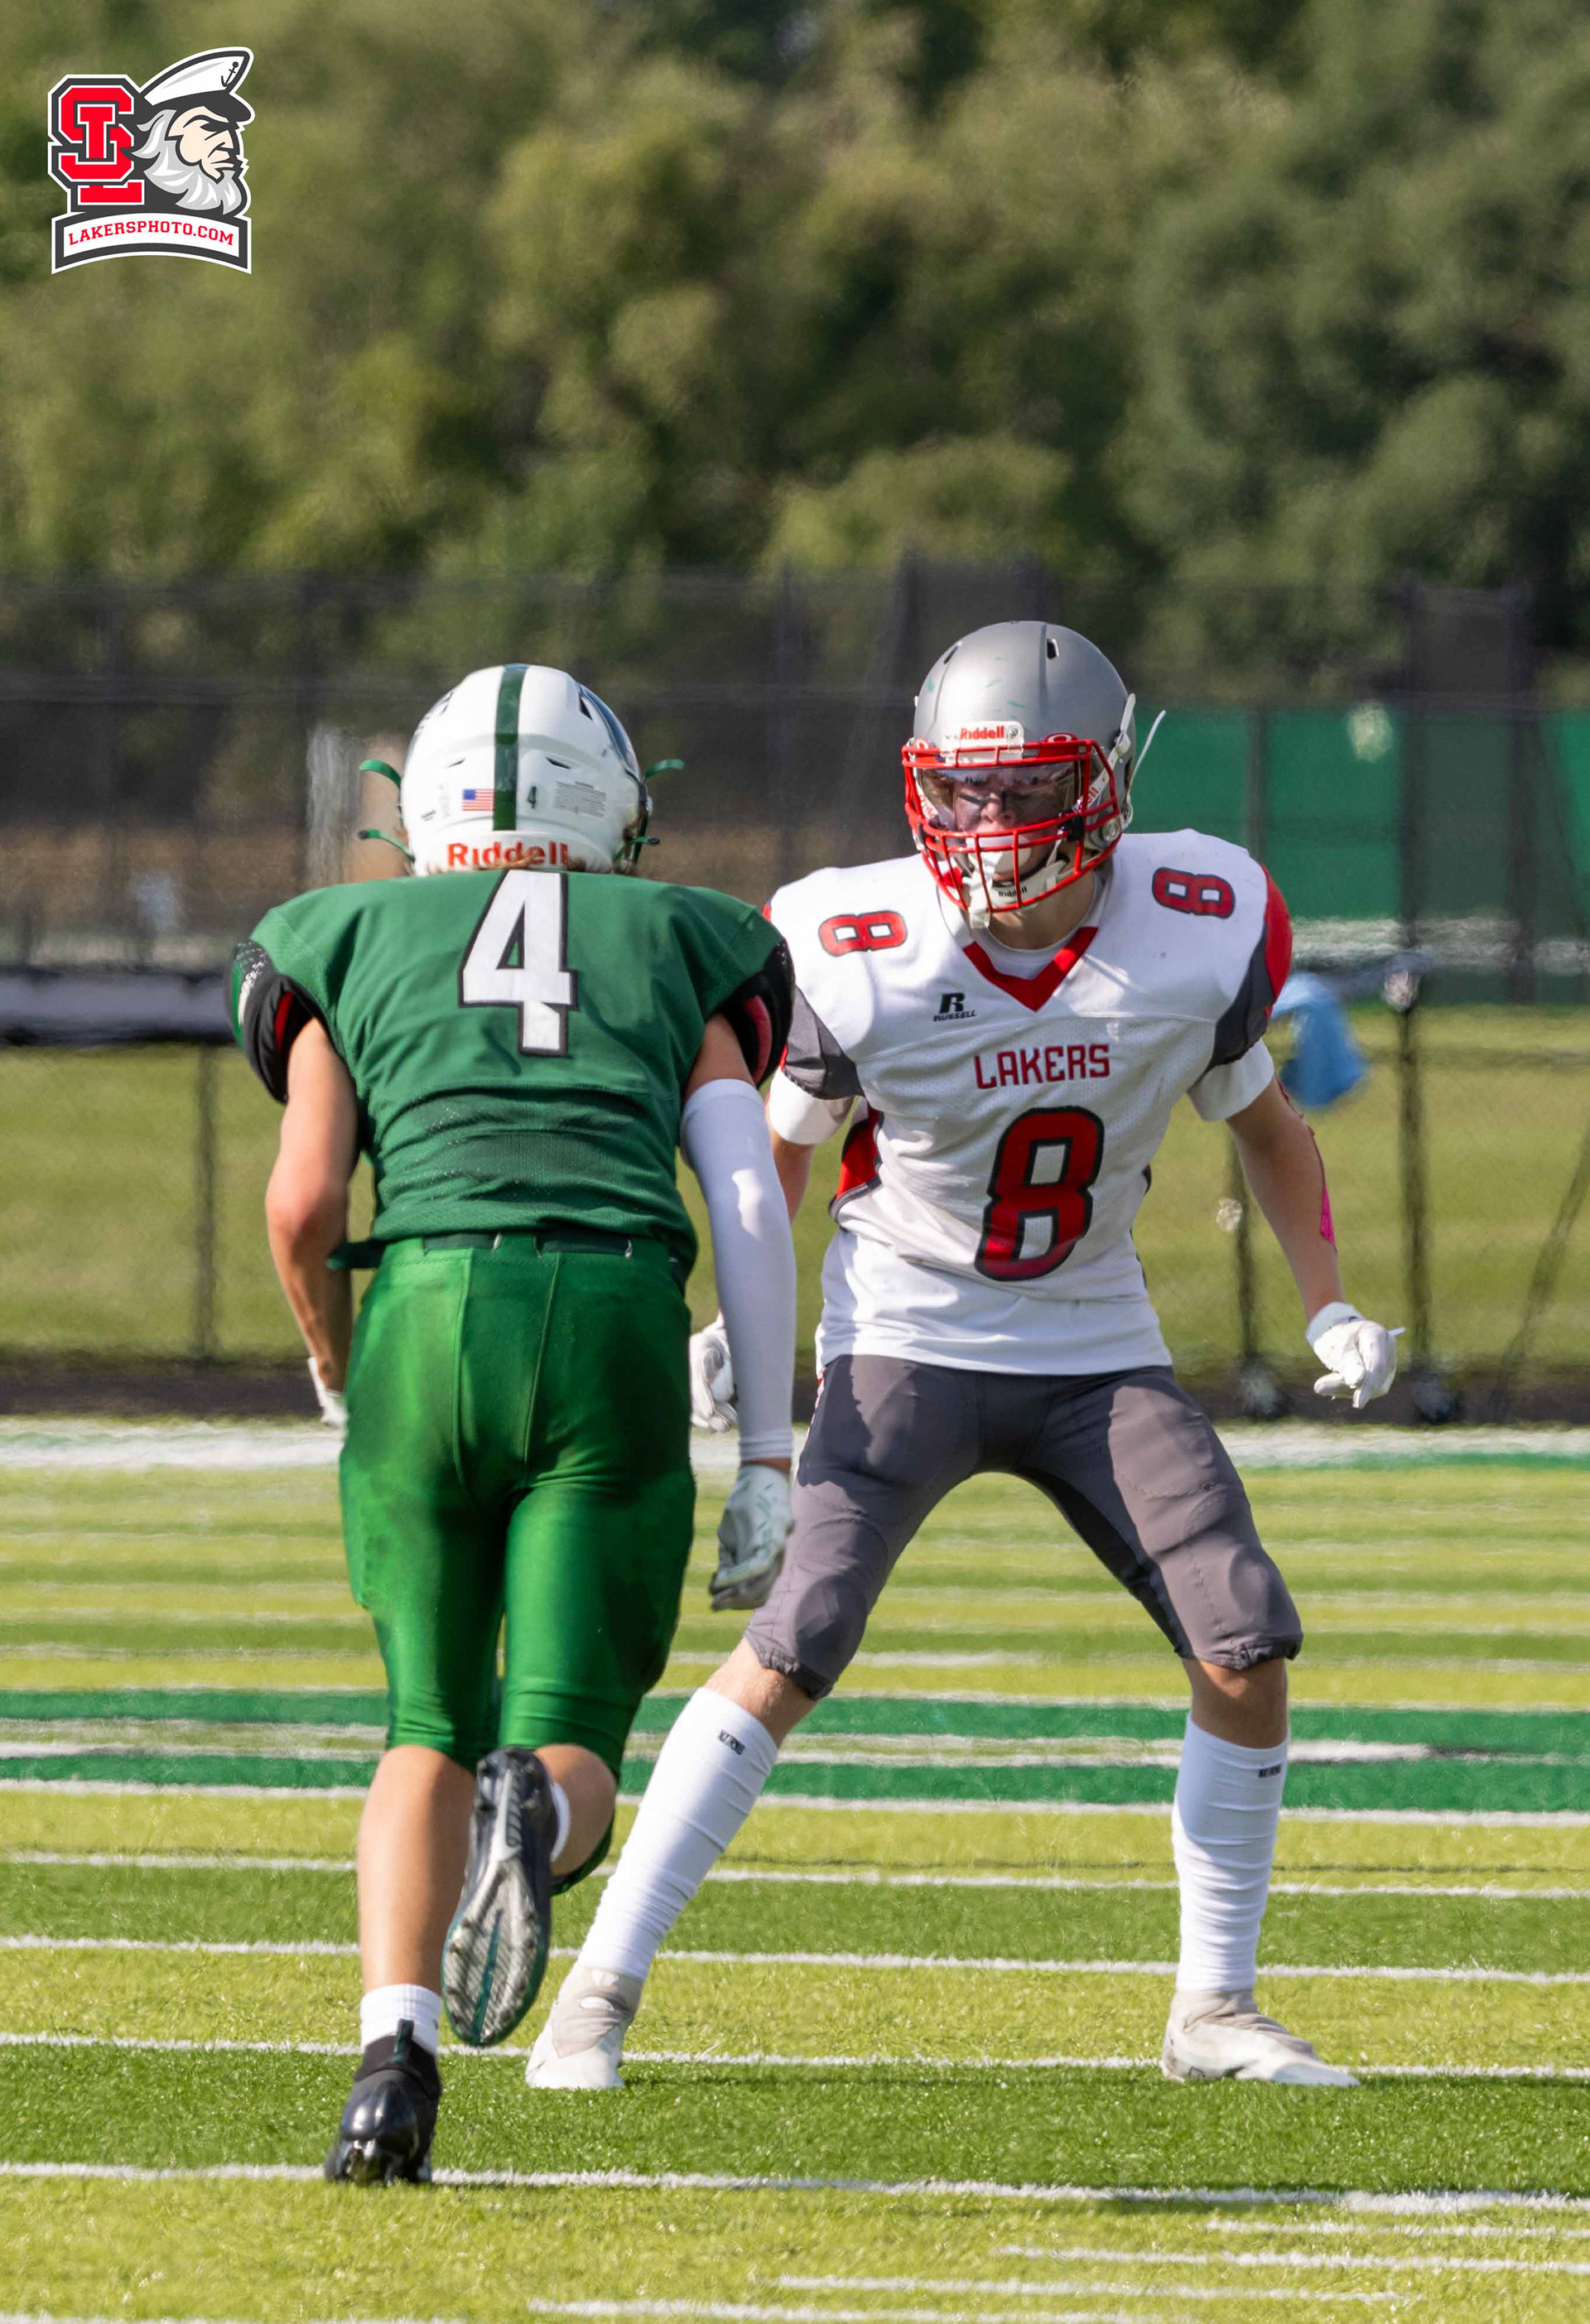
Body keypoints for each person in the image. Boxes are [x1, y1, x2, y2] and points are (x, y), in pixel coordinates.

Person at [528, 620, 1398, 2095]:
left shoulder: (1195, 919)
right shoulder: (856, 944)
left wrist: (1327, 1301)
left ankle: (1215, 2006)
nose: (990, 823)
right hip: (905, 1333)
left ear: (1106, 783)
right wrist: (741, 1329)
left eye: (1028, 786)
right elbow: (775, 1160)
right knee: (794, 1640)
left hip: (1094, 1338)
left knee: (1244, 1635)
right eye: (964, 788)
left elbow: (1266, 1124)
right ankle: (594, 1995)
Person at [229, 663, 797, 2182]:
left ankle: (390, 2064)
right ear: (609, 805)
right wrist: (771, 1451)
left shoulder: (340, 934)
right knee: (567, 1741)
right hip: (609, 1311)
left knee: (423, 1721)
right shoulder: (680, 933)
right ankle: (532, 1812)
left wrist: (339, 1368)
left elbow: (302, 1204)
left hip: (421, 1307)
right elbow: (746, 1192)